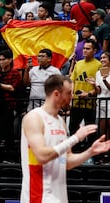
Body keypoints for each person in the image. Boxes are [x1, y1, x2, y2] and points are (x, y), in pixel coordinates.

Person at [20, 74, 110, 202]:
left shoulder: (60, 122)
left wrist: (91, 152)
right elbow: (42, 156)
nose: (72, 97)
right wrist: (75, 138)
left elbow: (66, 162)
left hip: (59, 196)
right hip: (38, 196)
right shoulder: (34, 118)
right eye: (69, 93)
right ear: (56, 94)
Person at [69, 39, 101, 153]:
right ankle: (74, 152)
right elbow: (72, 80)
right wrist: (72, 93)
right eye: (84, 48)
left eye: (88, 49)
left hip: (90, 104)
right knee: (73, 129)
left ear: (94, 50)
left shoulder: (99, 65)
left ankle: (90, 154)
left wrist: (88, 94)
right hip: (76, 102)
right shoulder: (78, 64)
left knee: (90, 130)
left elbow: (100, 86)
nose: (84, 51)